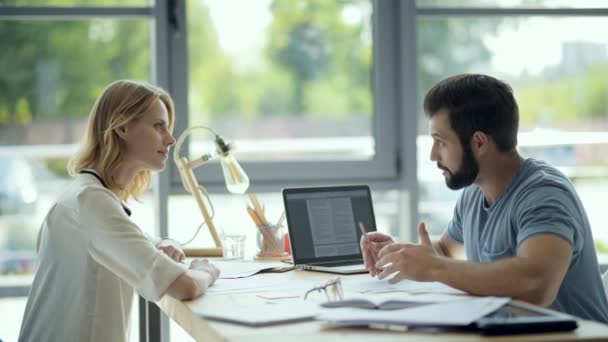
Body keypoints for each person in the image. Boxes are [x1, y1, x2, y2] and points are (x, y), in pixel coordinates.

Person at [361, 74, 608, 323]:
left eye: (440, 142)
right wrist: (398, 254)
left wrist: (433, 267)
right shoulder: (474, 192)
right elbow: (446, 251)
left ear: (479, 143)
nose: (433, 155)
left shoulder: (545, 194)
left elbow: (537, 284)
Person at [19, 80, 220, 342]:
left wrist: (166, 243)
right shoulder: (92, 203)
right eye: (159, 126)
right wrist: (207, 271)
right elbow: (185, 287)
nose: (170, 139)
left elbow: (138, 240)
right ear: (122, 127)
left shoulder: (87, 194)